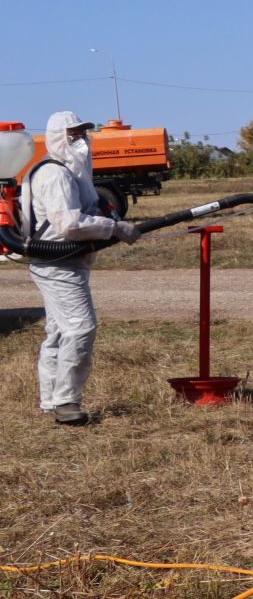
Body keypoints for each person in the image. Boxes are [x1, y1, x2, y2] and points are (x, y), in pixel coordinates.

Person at [24, 111, 139, 425]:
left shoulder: (71, 172)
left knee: (59, 331)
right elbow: (70, 224)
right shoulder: (55, 174)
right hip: (57, 264)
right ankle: (66, 402)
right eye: (73, 135)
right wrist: (114, 229)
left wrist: (110, 222)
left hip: (65, 263)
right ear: (59, 137)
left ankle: (50, 399)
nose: (81, 142)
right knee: (81, 327)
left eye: (83, 134)